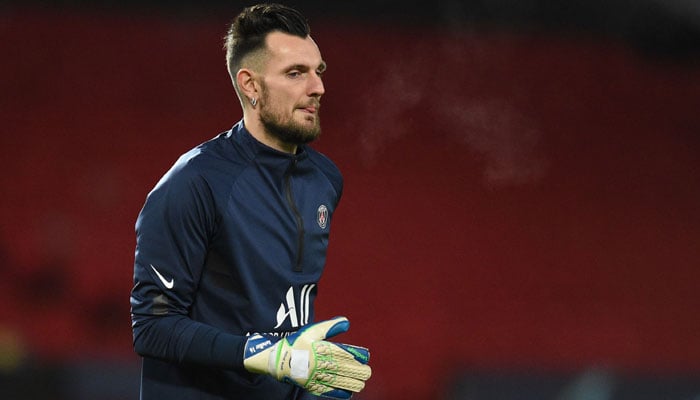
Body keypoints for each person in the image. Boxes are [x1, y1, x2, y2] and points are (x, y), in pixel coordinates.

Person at [129, 4, 372, 400]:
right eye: (296, 73)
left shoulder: (326, 180)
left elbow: (281, 316)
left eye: (318, 71)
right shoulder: (195, 183)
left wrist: (299, 375)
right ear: (251, 85)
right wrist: (266, 354)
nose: (318, 88)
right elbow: (152, 327)